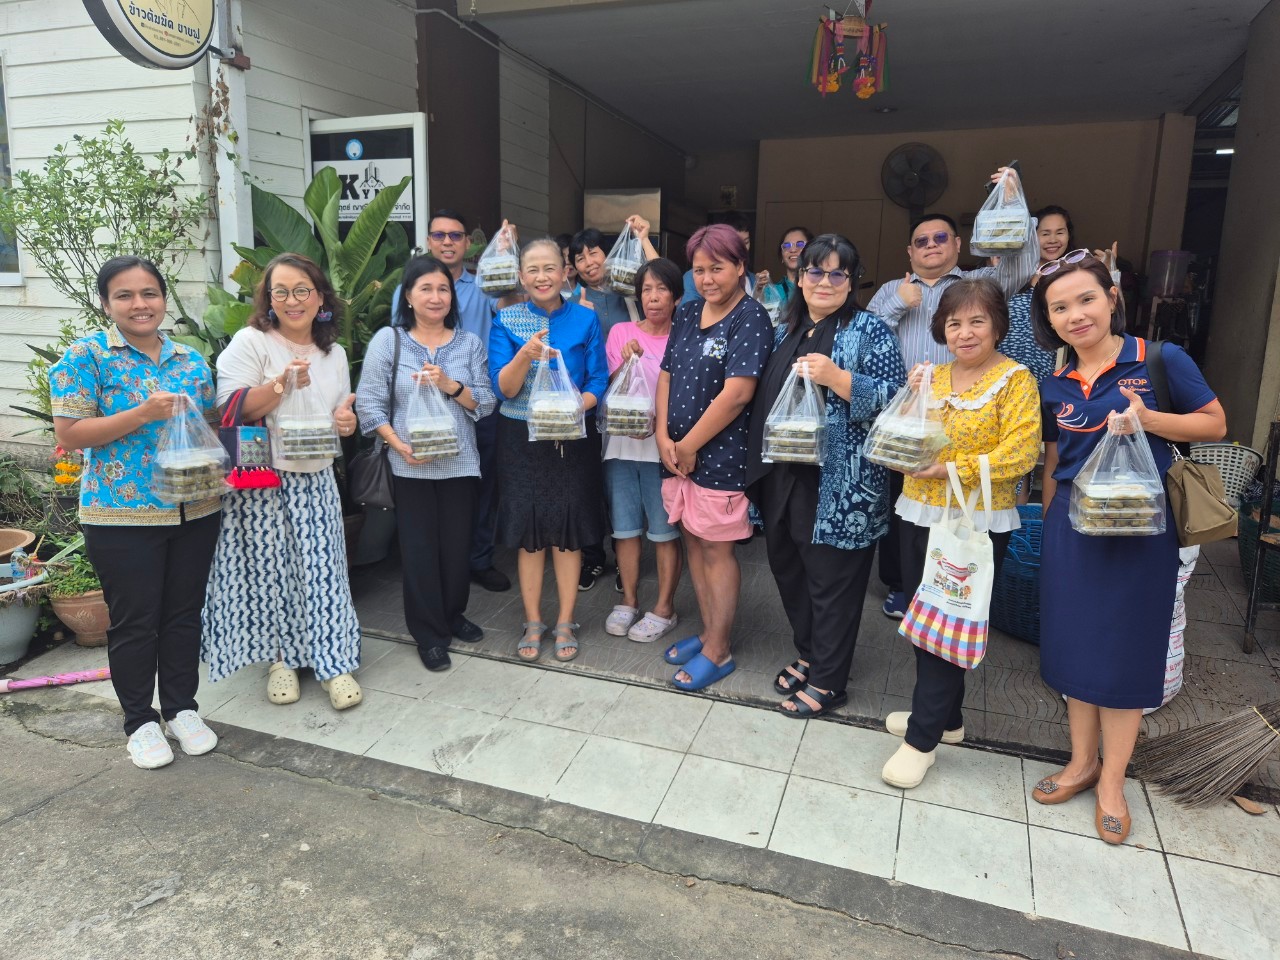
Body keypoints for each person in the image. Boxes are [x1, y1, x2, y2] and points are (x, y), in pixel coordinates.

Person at [1031, 252, 1225, 844]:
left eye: (1085, 299)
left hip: (1141, 529)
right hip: (1072, 527)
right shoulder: (1055, 381)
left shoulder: (1161, 359)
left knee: (1123, 649)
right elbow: (1053, 457)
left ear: (1111, 298)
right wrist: (1046, 519)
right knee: (1074, 644)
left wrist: (1150, 419)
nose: (1075, 315)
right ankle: (1080, 763)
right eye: (1059, 307)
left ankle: (1111, 781)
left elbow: (1215, 423)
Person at [50, 256, 222, 769]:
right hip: (121, 514)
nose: (139, 304)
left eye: (149, 293)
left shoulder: (189, 359)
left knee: (184, 615)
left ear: (163, 299)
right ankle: (140, 722)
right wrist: (142, 413)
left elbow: (207, 421)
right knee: (134, 621)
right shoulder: (87, 358)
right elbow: (71, 435)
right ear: (106, 303)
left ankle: (182, 709)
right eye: (124, 295)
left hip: (196, 505)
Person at [878, 278, 1041, 788]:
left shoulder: (1015, 380)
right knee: (926, 617)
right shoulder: (935, 375)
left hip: (973, 521)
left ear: (997, 325)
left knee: (952, 620)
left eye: (977, 321)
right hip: (918, 511)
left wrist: (948, 469)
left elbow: (1021, 454)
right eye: (954, 323)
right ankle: (947, 718)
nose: (965, 332)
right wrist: (913, 395)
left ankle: (921, 739)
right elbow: (905, 437)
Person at [867, 166, 1038, 620]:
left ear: (956, 245)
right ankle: (901, 586)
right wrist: (898, 302)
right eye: (921, 241)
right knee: (901, 508)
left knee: (946, 526)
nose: (930, 247)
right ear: (909, 249)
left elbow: (1023, 266)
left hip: (966, 420)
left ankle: (949, 599)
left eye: (939, 239)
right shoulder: (891, 289)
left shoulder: (977, 285)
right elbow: (865, 339)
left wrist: (1014, 203)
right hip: (903, 416)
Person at [745, 235, 905, 717]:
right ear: (799, 277)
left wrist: (839, 379)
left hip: (841, 485)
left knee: (833, 583)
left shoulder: (870, 330)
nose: (825, 282)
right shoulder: (781, 328)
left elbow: (898, 401)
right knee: (789, 570)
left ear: (852, 282)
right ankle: (811, 652)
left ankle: (831, 680)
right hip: (781, 476)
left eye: (839, 274)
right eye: (816, 271)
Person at [202, 253, 364, 712]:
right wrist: (280, 385)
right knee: (271, 571)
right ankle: (280, 662)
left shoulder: (332, 353)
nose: (293, 300)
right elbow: (229, 407)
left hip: (315, 474)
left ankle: (335, 662)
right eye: (281, 291)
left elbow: (341, 417)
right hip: (261, 477)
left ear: (320, 298)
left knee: (324, 567)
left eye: (302, 291)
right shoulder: (251, 342)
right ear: (268, 299)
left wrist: (345, 422)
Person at [356, 256, 496, 672]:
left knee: (455, 548)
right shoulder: (390, 341)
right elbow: (369, 404)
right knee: (418, 551)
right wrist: (398, 445)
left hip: (460, 463)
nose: (436, 297)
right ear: (409, 297)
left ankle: (453, 615)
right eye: (425, 289)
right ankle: (429, 633)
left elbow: (485, 403)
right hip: (410, 463)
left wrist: (450, 385)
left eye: (443, 289)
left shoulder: (468, 344)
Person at [658, 224, 773, 691]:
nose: (707, 279)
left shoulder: (750, 318)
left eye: (717, 268)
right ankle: (707, 633)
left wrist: (688, 445)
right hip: (676, 456)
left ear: (740, 267)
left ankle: (719, 650)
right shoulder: (686, 314)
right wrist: (665, 435)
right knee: (691, 540)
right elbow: (666, 374)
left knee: (716, 549)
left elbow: (738, 393)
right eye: (699, 269)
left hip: (721, 460)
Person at [489, 237, 609, 662]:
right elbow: (503, 389)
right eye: (532, 270)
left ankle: (565, 621)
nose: (542, 277)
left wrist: (578, 407)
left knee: (568, 531)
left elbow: (598, 378)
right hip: (520, 439)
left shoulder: (584, 319)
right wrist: (525, 352)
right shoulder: (506, 319)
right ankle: (534, 620)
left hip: (570, 438)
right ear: (521, 277)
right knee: (529, 534)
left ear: (564, 273)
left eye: (550, 268)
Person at [393, 210, 514, 594]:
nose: (448, 242)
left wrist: (508, 258)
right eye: (440, 235)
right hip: (423, 407)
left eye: (456, 236)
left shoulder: (484, 286)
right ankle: (437, 566)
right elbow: (397, 340)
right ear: (429, 240)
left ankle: (476, 559)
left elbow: (512, 307)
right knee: (430, 487)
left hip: (474, 401)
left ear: (467, 243)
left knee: (479, 485)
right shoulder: (408, 288)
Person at [569, 216, 660, 590]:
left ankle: (628, 563)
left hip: (634, 408)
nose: (589, 262)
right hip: (591, 404)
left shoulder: (633, 293)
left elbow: (662, 280)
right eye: (579, 258)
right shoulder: (572, 301)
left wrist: (642, 237)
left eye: (594, 253)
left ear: (609, 254)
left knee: (628, 485)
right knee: (593, 484)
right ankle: (594, 557)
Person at [601, 257, 684, 644]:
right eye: (646, 290)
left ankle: (664, 607)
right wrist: (624, 361)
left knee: (664, 533)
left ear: (676, 296)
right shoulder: (620, 332)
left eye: (661, 289)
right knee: (625, 530)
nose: (653, 297)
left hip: (662, 452)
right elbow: (608, 388)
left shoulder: (683, 337)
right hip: (620, 448)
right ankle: (629, 600)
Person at [681, 211, 757, 305]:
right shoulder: (691, 279)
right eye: (699, 270)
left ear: (739, 267)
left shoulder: (753, 279)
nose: (743, 249)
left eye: (746, 243)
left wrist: (760, 291)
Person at [753, 226, 814, 304]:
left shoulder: (821, 287)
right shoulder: (771, 292)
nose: (793, 250)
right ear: (782, 257)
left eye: (800, 244)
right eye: (787, 246)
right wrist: (758, 291)